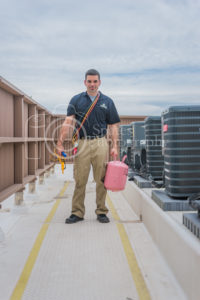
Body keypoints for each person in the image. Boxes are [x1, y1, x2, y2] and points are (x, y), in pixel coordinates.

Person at [56, 69, 120, 224]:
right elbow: (68, 122)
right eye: (89, 81)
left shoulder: (108, 101)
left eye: (95, 81)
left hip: (100, 142)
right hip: (82, 142)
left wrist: (115, 146)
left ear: (99, 82)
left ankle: (101, 211)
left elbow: (113, 126)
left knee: (101, 179)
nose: (92, 84)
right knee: (80, 179)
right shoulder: (76, 100)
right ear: (85, 82)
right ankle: (77, 212)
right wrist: (60, 143)